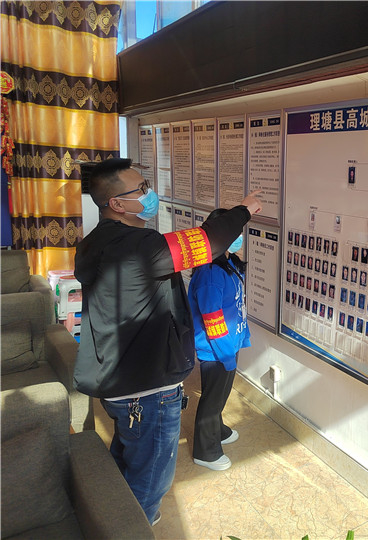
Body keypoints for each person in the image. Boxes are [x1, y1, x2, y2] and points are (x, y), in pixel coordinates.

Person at [73, 158, 262, 524]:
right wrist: (244, 210)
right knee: (151, 477)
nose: (150, 194)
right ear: (117, 203)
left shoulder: (97, 241)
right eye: (141, 189)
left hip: (118, 380)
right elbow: (206, 242)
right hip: (146, 388)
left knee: (128, 458)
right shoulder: (137, 248)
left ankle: (110, 520)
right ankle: (136, 526)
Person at [188, 209, 253, 472]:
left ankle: (219, 429)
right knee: (212, 399)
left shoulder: (228, 263)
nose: (238, 237)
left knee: (221, 395)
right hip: (216, 350)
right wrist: (226, 352)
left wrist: (242, 337)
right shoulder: (210, 273)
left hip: (228, 345)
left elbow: (236, 306)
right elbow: (212, 317)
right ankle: (206, 451)